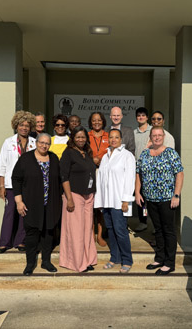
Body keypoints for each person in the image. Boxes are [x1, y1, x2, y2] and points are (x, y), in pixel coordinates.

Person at [135, 126, 184, 275]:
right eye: (154, 135)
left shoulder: (170, 153)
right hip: (150, 199)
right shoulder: (144, 154)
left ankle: (169, 263)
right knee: (157, 229)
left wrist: (176, 195)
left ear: (163, 136)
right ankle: (159, 258)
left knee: (168, 230)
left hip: (167, 199)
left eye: (159, 135)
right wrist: (137, 192)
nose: (157, 137)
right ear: (150, 137)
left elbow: (179, 174)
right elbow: (139, 174)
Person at [12, 133, 62, 275]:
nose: (44, 145)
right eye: (41, 142)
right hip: (31, 204)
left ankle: (46, 262)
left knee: (48, 233)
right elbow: (16, 179)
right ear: (36, 143)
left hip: (51, 203)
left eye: (47, 143)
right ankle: (30, 264)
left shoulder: (53, 158)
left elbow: (59, 180)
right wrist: (19, 201)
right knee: (32, 234)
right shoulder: (26, 159)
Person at [94, 128, 135, 273]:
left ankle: (127, 260)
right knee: (110, 230)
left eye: (116, 137)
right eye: (111, 137)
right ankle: (115, 258)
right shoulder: (105, 156)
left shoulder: (127, 156)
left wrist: (126, 200)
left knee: (120, 231)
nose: (113, 140)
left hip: (119, 202)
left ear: (121, 139)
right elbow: (101, 180)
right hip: (107, 201)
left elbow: (130, 179)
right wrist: (99, 201)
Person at [0, 110, 36, 253]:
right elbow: (2, 164)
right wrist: (1, 186)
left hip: (28, 185)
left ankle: (21, 241)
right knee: (9, 212)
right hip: (11, 184)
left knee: (24, 212)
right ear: (16, 126)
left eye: (27, 125)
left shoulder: (34, 143)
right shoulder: (8, 142)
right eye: (21, 125)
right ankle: (4, 242)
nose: (24, 128)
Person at [59, 126, 98, 272]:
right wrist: (69, 198)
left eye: (83, 137)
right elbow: (64, 176)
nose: (81, 139)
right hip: (74, 195)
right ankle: (76, 262)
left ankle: (87, 259)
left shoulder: (87, 152)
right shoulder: (68, 153)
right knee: (76, 230)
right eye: (78, 137)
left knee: (87, 229)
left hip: (89, 195)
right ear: (73, 138)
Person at [88, 111, 109, 247]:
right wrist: (92, 159)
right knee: (90, 206)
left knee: (101, 206)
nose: (97, 122)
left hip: (104, 174)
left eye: (99, 120)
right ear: (90, 122)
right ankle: (90, 235)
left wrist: (102, 160)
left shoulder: (108, 136)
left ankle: (100, 235)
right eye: (94, 120)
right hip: (89, 173)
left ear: (103, 122)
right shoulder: (86, 135)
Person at [133, 107, 152, 232]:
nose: (141, 117)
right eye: (139, 115)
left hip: (150, 169)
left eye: (143, 115)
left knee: (152, 197)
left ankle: (155, 223)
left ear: (147, 117)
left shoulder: (153, 131)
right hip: (137, 169)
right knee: (141, 198)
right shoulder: (134, 133)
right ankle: (143, 221)